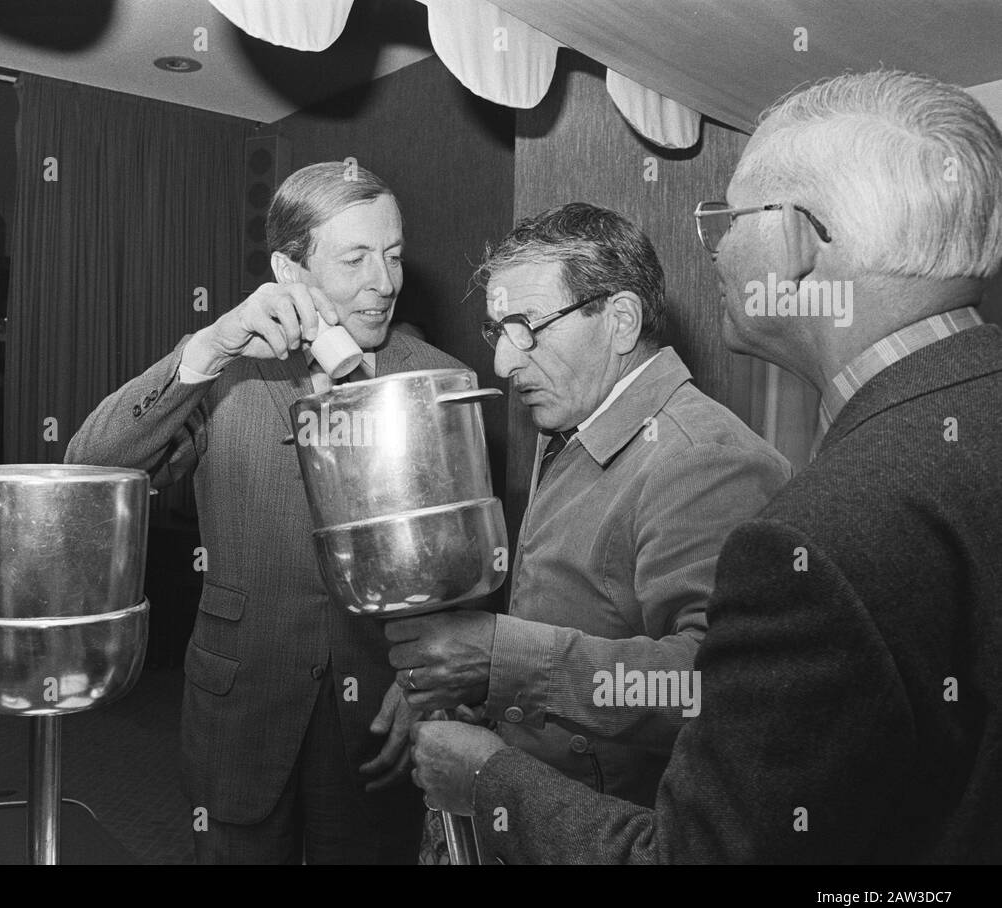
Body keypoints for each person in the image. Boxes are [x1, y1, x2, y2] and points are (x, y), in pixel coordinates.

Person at [411, 69, 1002, 863]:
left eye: (727, 216)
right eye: (496, 330)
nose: (714, 248)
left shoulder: (722, 471)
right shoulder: (569, 431)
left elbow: (698, 694)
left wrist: (501, 706)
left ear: (793, 243)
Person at [66, 161, 465, 864]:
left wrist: (433, 670)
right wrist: (206, 349)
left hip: (378, 716)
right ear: (289, 267)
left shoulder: (439, 380)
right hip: (241, 710)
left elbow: (461, 561)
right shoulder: (225, 377)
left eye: (394, 255)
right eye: (356, 257)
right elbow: (88, 469)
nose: (384, 281)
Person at [385, 204, 790, 819]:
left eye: (527, 327)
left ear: (620, 320)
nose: (504, 362)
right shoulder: (571, 421)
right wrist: (482, 686)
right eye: (500, 331)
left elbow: (712, 688)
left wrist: (501, 660)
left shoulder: (702, 459)